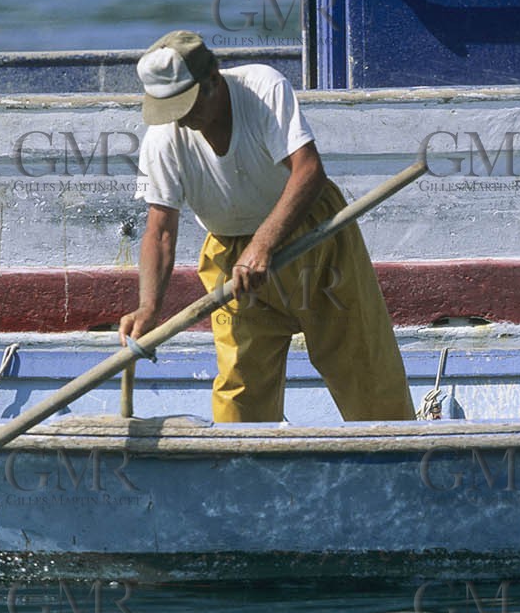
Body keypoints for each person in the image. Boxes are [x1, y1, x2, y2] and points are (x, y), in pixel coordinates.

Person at [119, 30, 414, 424]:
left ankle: (394, 457)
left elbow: (307, 170)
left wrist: (264, 244)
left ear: (213, 79)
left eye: (188, 104)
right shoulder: (163, 139)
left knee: (360, 362)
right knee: (240, 385)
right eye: (171, 108)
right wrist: (148, 307)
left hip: (315, 237)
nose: (183, 118)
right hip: (233, 261)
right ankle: (247, 469)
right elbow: (160, 231)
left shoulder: (262, 88)